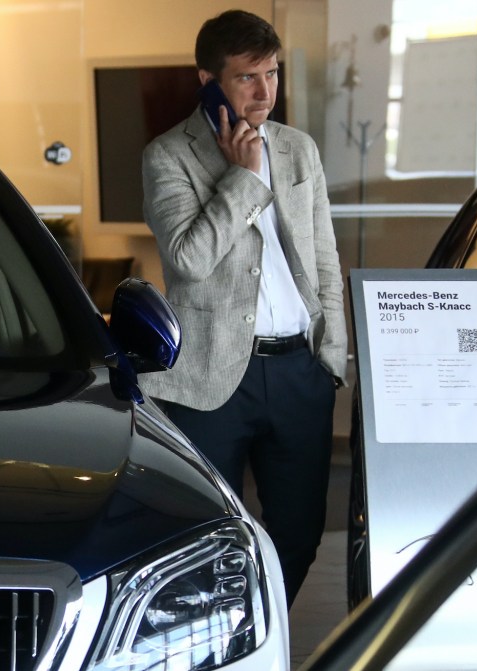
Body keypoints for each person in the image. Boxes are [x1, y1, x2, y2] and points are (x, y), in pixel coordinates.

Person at [139, 8, 348, 608]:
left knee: (300, 535)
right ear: (208, 80)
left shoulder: (299, 149)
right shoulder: (168, 155)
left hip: (299, 371)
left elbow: (325, 259)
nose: (264, 92)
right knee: (205, 540)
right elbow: (189, 259)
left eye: (272, 74)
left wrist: (330, 358)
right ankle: (220, 638)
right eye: (247, 77)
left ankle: (257, 633)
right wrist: (245, 178)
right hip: (208, 378)